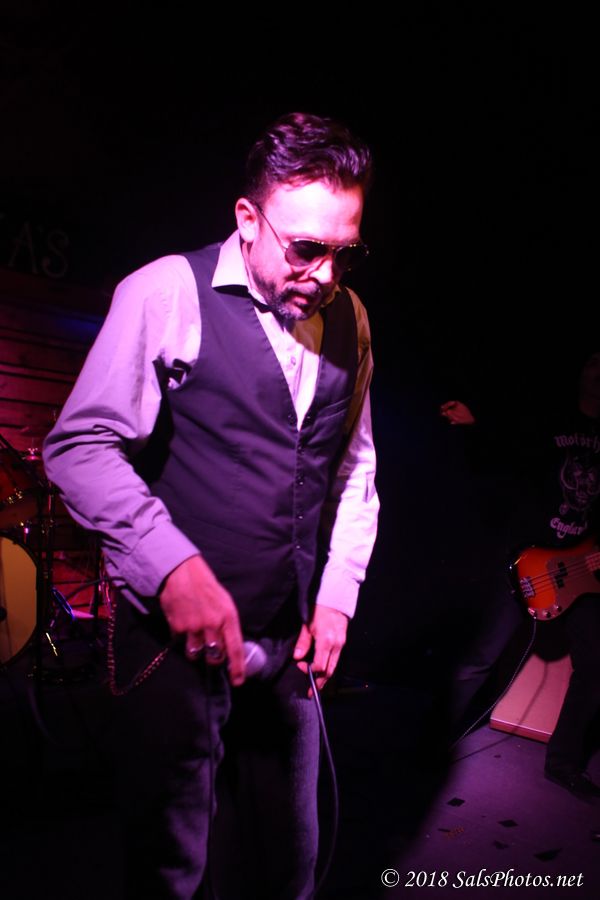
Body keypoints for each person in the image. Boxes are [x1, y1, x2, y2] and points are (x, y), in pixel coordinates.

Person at [42, 112, 379, 899]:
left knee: (286, 866)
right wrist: (172, 567)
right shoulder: (166, 289)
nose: (325, 273)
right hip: (169, 648)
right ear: (248, 220)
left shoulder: (353, 320)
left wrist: (337, 595)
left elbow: (355, 468)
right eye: (306, 248)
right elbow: (80, 445)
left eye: (345, 251)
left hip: (287, 641)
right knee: (171, 870)